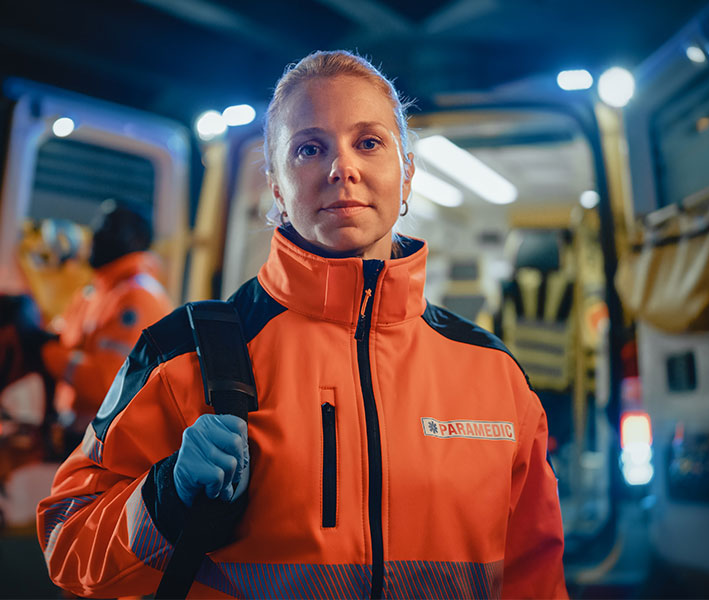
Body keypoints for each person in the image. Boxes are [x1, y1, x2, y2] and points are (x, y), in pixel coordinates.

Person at [37, 51, 567, 599]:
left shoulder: (495, 376)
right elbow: (67, 540)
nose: (342, 168)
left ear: (405, 174)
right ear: (277, 187)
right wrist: (164, 496)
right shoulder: (181, 355)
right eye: (309, 148)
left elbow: (536, 578)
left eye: (369, 142)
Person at [33, 199, 173, 451]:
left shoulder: (138, 298)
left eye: (109, 225)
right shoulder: (95, 292)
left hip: (109, 448)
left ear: (137, 240)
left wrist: (47, 353)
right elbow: (63, 338)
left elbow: (107, 385)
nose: (95, 231)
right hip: (79, 437)